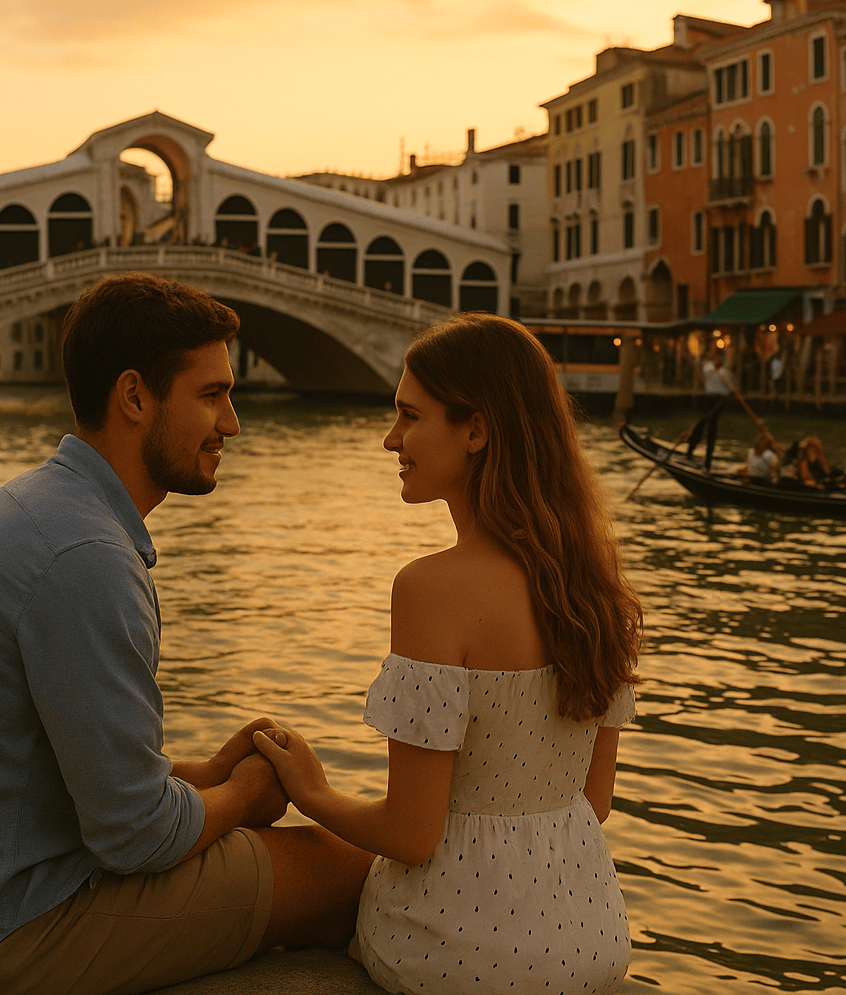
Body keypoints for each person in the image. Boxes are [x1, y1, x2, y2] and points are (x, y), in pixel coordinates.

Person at [0, 273, 374, 995]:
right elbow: (136, 837)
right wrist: (247, 797)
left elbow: (58, 769)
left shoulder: (31, 504)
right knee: (344, 867)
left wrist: (205, 775)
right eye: (211, 396)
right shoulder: (90, 560)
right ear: (135, 397)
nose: (232, 424)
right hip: (0, 937)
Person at [253, 313, 639, 995]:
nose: (390, 439)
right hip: (590, 938)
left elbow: (411, 834)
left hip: (453, 950)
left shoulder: (431, 588)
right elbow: (594, 801)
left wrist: (312, 793)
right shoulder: (596, 582)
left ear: (477, 430)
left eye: (409, 415)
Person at [685, 347, 734, 470]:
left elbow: (732, 390)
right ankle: (690, 450)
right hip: (709, 398)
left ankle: (708, 460)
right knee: (702, 423)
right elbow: (703, 378)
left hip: (721, 400)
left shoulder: (725, 371)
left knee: (712, 427)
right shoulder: (709, 368)